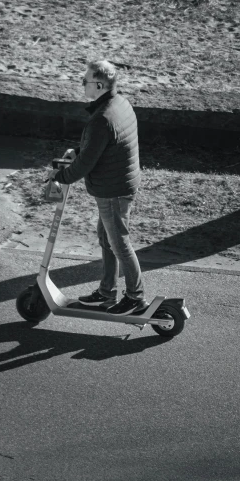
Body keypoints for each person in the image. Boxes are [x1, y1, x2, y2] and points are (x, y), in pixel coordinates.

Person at [50, 59, 149, 314]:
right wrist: (79, 151)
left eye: (85, 80)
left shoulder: (101, 118)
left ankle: (136, 298)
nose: (82, 84)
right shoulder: (119, 104)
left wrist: (59, 177)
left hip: (113, 190)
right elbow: (104, 146)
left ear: (99, 84)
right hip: (119, 182)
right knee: (107, 239)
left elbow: (83, 167)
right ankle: (106, 293)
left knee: (119, 244)